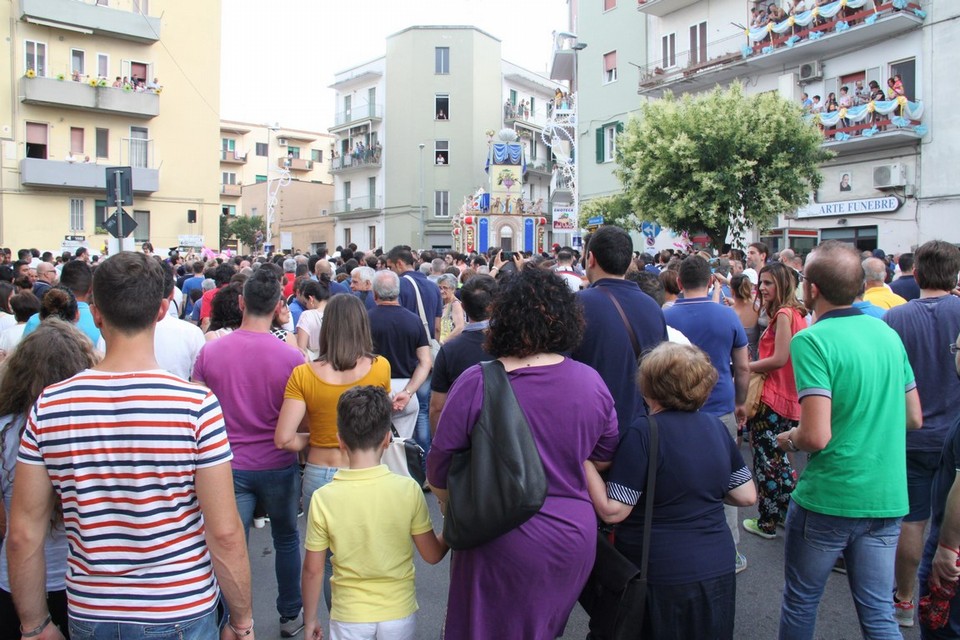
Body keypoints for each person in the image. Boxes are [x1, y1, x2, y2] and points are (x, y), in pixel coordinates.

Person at [6, 252, 255, 640]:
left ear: (96, 312)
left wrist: (35, 625)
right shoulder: (195, 407)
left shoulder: (51, 405)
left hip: (92, 609)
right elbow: (224, 532)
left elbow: (23, 532)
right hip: (181, 607)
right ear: (161, 310)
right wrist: (241, 621)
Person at [427, 267, 620, 639]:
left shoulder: (477, 381)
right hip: (570, 536)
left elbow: (439, 467)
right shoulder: (590, 381)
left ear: (504, 318)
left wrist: (452, 507)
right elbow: (604, 453)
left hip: (495, 532)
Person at [776, 241, 922, 639]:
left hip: (831, 495)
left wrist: (788, 438)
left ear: (812, 289)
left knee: (802, 601)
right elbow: (913, 416)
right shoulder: (885, 331)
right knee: (879, 612)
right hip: (886, 494)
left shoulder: (812, 339)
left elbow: (815, 435)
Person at [585, 342, 756, 640]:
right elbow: (745, 495)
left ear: (650, 385)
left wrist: (583, 462)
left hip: (660, 572)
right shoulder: (715, 428)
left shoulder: (644, 432)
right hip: (716, 566)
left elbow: (614, 510)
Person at [275, 294, 391, 611]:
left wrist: (320, 436)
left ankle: (337, 624)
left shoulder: (304, 374)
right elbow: (379, 424)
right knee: (370, 557)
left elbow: (284, 439)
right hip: (365, 472)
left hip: (319, 475)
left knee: (325, 564)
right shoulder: (380, 369)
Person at [302, 386, 447, 640]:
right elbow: (432, 554)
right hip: (398, 612)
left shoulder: (323, 498)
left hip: (348, 614)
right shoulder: (408, 490)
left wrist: (311, 618)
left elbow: (314, 570)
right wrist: (454, 524)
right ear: (387, 439)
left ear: (340, 440)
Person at [0, 320, 98, 639]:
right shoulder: (96, 427)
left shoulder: (5, 433)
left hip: (16, 580)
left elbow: (6, 528)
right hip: (87, 580)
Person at [883, 240, 960, 627]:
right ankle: (946, 598)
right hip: (955, 437)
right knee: (953, 524)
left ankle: (904, 600)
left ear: (917, 272)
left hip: (910, 434)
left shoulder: (894, 319)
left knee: (911, 520)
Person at [664, 255, 750, 572]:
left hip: (676, 407)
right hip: (720, 405)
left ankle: (680, 546)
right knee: (726, 477)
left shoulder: (665, 316)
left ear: (680, 283)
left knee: (675, 476)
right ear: (711, 282)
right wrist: (741, 402)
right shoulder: (727, 316)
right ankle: (730, 551)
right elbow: (742, 366)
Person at [571, 226, 667, 435]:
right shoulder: (652, 306)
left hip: (591, 429)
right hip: (640, 429)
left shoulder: (577, 305)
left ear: (591, 258)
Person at [742, 262, 807, 539]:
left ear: (782, 284)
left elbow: (780, 358)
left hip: (773, 398)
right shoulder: (796, 313)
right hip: (789, 398)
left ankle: (768, 521)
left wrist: (746, 367)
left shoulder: (783, 313)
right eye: (762, 282)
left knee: (766, 462)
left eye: (769, 283)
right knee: (779, 461)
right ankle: (787, 515)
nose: (762, 288)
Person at [429, 275, 497, 434]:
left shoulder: (450, 350)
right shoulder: (512, 344)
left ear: (464, 307)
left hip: (461, 434)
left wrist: (439, 445)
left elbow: (437, 407)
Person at [296, 278, 330, 360]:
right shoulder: (338, 312)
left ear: (311, 299)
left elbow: (301, 349)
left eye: (305, 302)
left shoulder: (307, 315)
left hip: (314, 363)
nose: (306, 306)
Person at [437, 273, 464, 344]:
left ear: (453, 289)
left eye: (445, 288)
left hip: (450, 345)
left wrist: (443, 342)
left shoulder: (456, 304)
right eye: (440, 287)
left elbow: (460, 327)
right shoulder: (442, 303)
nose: (441, 291)